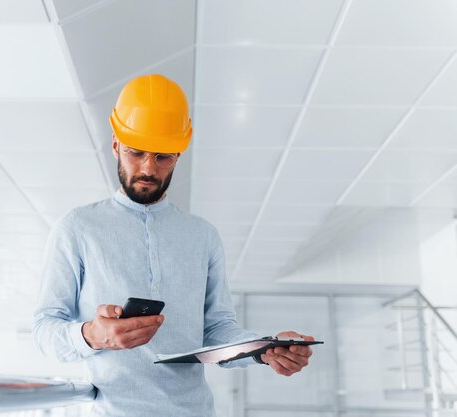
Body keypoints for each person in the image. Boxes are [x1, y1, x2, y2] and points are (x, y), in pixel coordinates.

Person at [32, 74, 314, 416]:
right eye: (136, 152)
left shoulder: (203, 236)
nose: (149, 168)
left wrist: (262, 349)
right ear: (116, 145)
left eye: (164, 156)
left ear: (179, 154)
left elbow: (216, 329)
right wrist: (93, 334)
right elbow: (45, 329)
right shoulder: (77, 228)